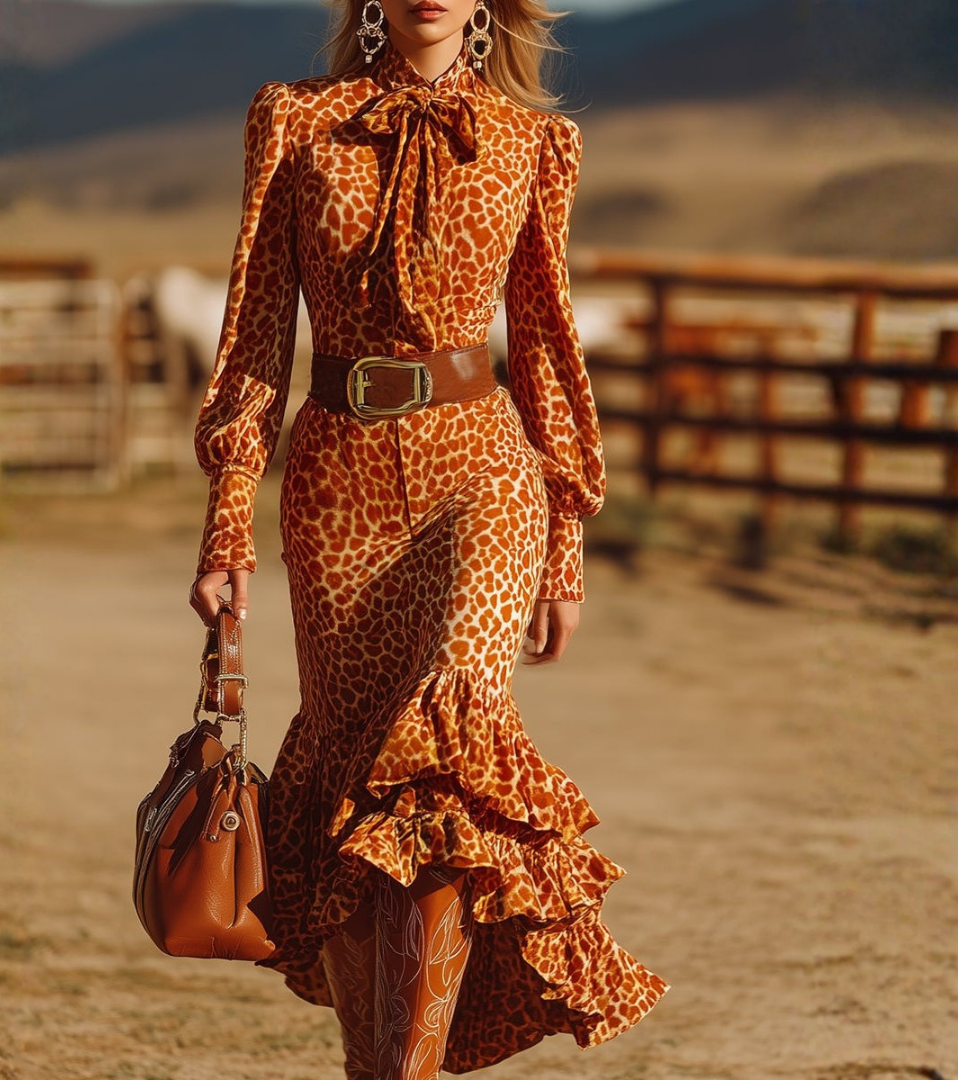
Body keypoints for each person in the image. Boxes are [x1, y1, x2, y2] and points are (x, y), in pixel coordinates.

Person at [188, 1, 668, 1076]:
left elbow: (546, 342)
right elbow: (255, 332)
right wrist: (227, 525)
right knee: (361, 786)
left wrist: (568, 540)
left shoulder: (534, 140)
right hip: (337, 485)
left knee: (447, 761)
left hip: (483, 475)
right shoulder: (294, 121)